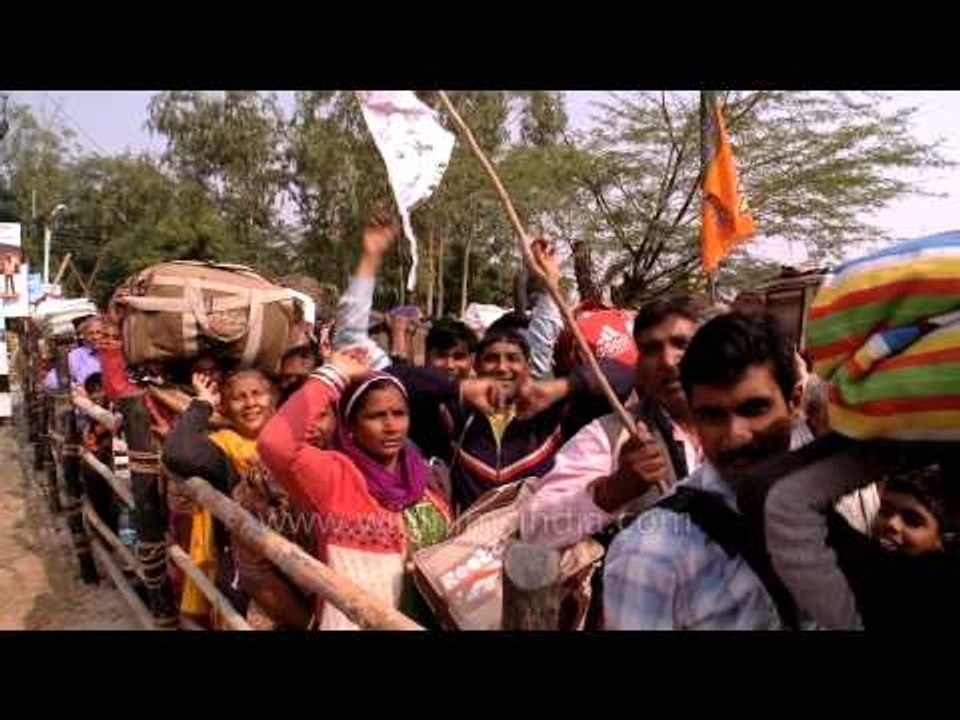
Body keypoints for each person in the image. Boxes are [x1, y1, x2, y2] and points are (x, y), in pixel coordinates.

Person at [603, 311, 810, 630]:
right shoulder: (651, 557)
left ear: (794, 402)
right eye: (713, 416)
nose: (734, 436)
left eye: (754, 409)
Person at [257, 350, 452, 629]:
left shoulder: (427, 477)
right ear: (350, 426)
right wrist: (332, 374)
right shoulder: (336, 477)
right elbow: (274, 444)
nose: (390, 426)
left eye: (399, 414)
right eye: (376, 416)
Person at [163, 368, 314, 629]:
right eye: (239, 397)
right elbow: (178, 451)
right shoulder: (226, 452)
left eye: (258, 394)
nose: (250, 403)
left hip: (312, 556)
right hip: (256, 570)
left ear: (274, 398)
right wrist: (203, 404)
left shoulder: (300, 439)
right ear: (226, 407)